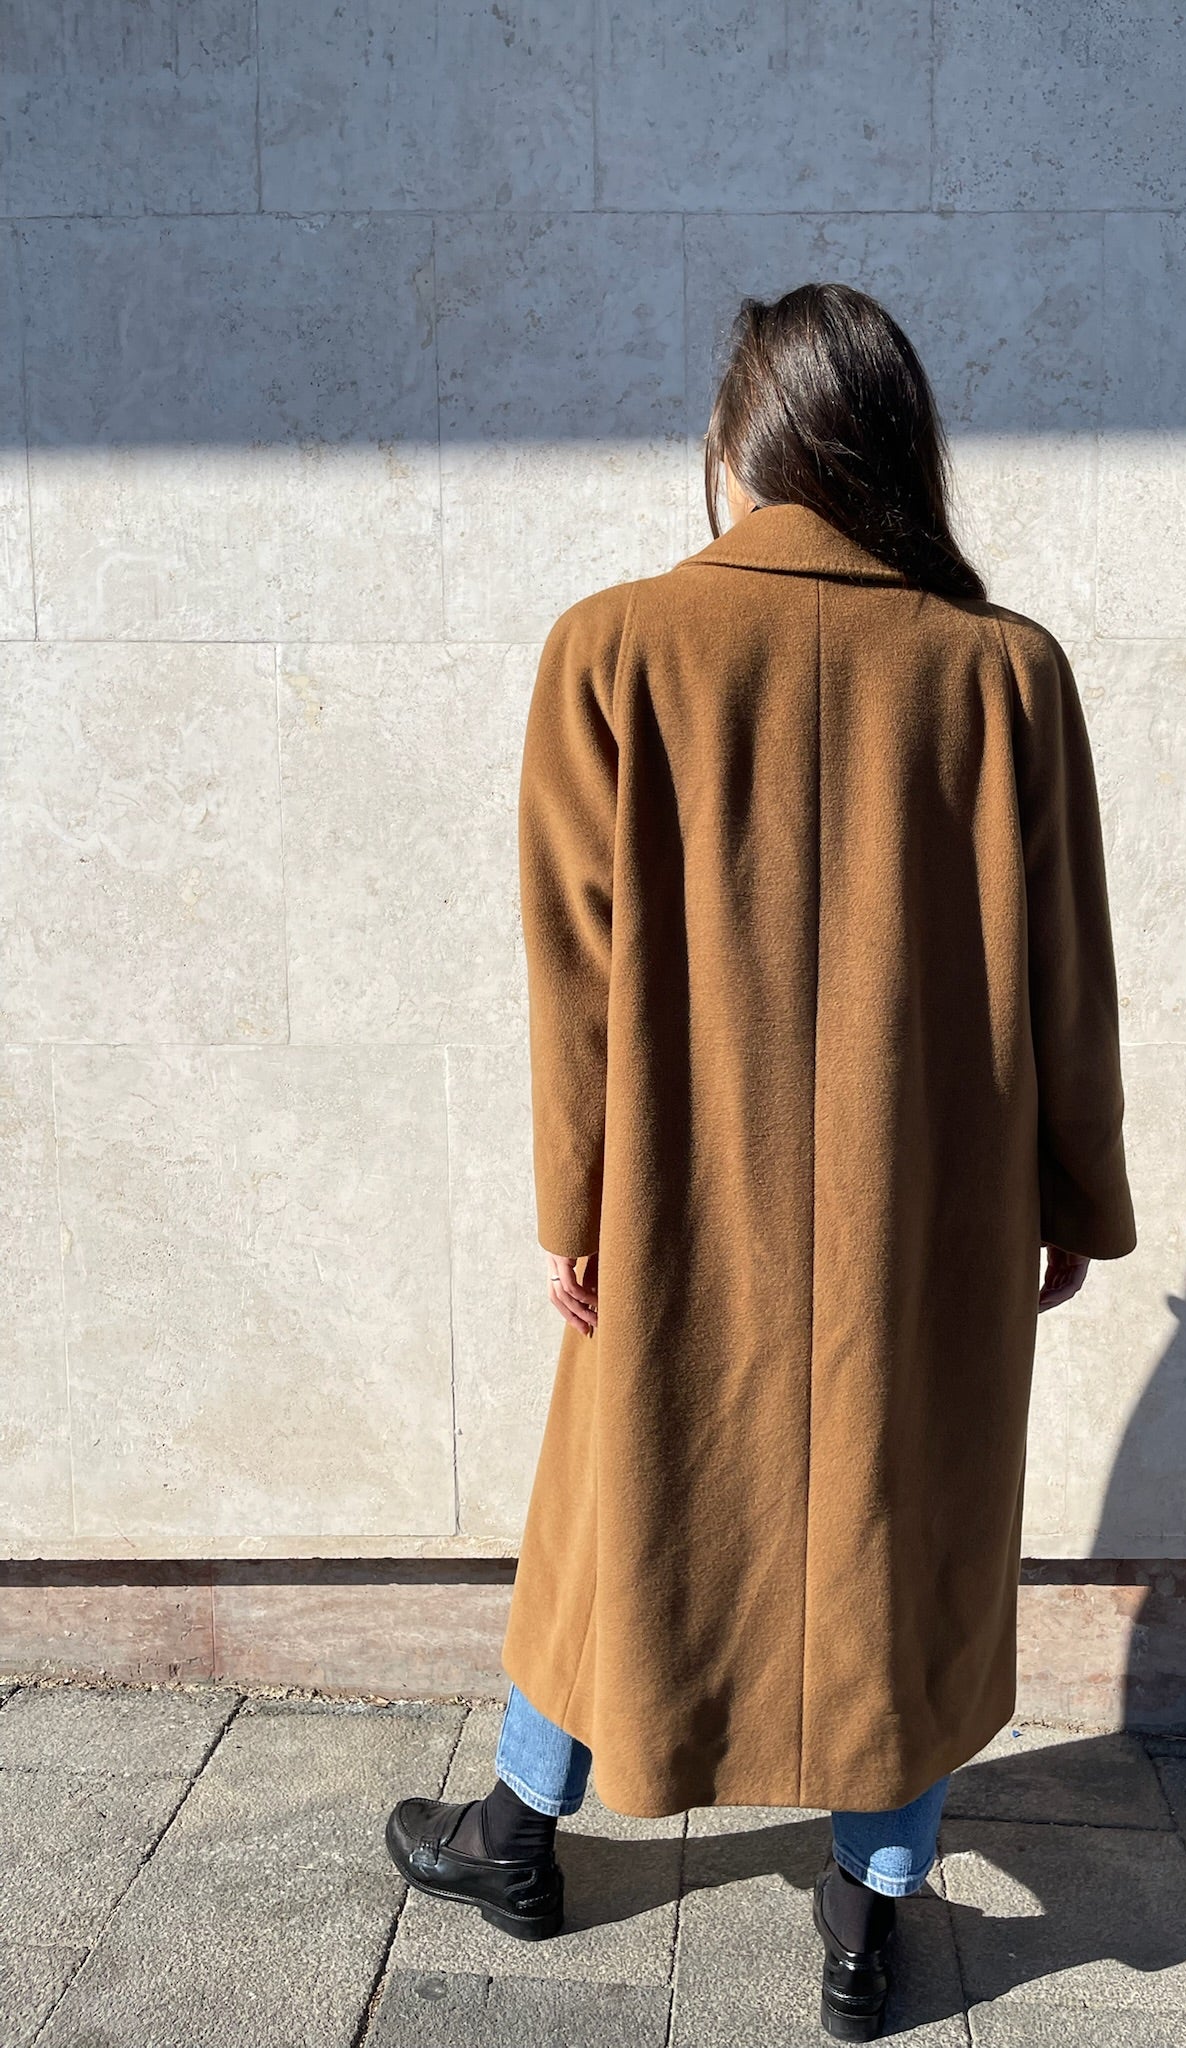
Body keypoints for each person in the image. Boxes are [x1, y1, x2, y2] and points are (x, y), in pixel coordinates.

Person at [386, 282, 1136, 2040]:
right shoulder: (1003, 671)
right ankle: (868, 1918)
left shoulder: (614, 647)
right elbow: (1070, 972)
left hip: (679, 1207)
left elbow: (574, 972)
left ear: (744, 445)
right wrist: (1074, 1193)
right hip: (926, 1216)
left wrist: (574, 1201)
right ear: (896, 449)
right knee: (904, 1531)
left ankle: (520, 1830)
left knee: (617, 1503)